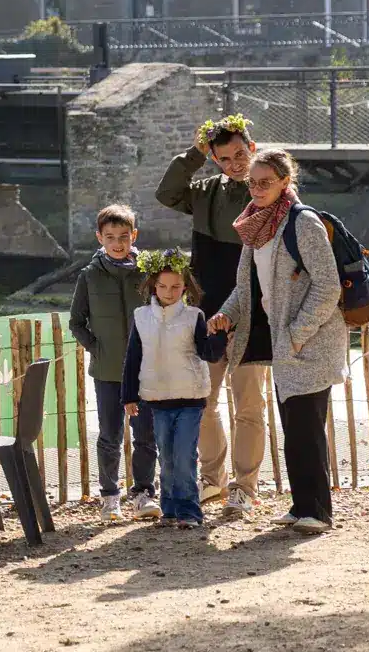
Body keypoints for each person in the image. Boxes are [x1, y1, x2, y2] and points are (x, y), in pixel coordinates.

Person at [207, 149, 345, 533]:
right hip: (286, 344)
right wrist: (226, 314)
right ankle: (302, 506)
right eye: (252, 182)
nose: (256, 188)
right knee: (294, 427)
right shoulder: (257, 224)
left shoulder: (303, 222)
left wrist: (298, 335)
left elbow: (328, 286)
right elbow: (246, 288)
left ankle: (318, 512)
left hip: (312, 341)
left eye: (265, 182)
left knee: (307, 428)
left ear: (285, 182)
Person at [157, 114, 265, 519]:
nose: (235, 164)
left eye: (240, 154)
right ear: (215, 160)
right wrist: (195, 152)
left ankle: (245, 488)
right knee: (203, 401)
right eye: (225, 158)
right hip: (206, 312)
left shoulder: (267, 194)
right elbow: (167, 193)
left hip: (253, 312)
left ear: (252, 148)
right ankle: (213, 479)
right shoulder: (203, 193)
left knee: (248, 405)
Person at [123, 252, 228, 530]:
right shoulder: (141, 317)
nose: (169, 292)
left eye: (175, 287)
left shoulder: (194, 316)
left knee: (184, 457)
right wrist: (129, 396)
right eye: (163, 286)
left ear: (185, 288)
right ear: (153, 286)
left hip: (190, 399)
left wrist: (219, 336)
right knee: (167, 458)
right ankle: (169, 510)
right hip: (157, 401)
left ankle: (190, 512)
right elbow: (133, 358)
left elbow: (208, 353)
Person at [69, 203, 158, 522]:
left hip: (145, 370)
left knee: (145, 435)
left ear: (134, 235)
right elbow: (76, 322)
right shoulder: (89, 276)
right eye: (110, 237)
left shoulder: (149, 272)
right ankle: (110, 497)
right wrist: (98, 348)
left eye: (123, 236)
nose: (117, 243)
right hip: (107, 371)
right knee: (109, 435)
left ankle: (144, 494)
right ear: (99, 238)